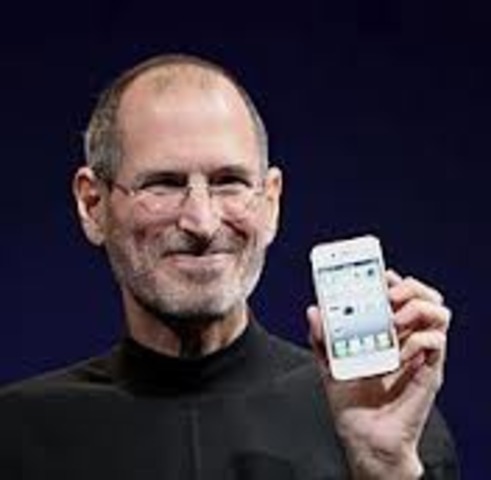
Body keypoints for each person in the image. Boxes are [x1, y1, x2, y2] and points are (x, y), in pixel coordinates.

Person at [0, 54, 458, 479]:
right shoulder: (17, 434)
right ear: (93, 204)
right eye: (163, 184)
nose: (202, 222)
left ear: (271, 203)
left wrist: (384, 469)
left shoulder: (388, 418)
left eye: (229, 182)